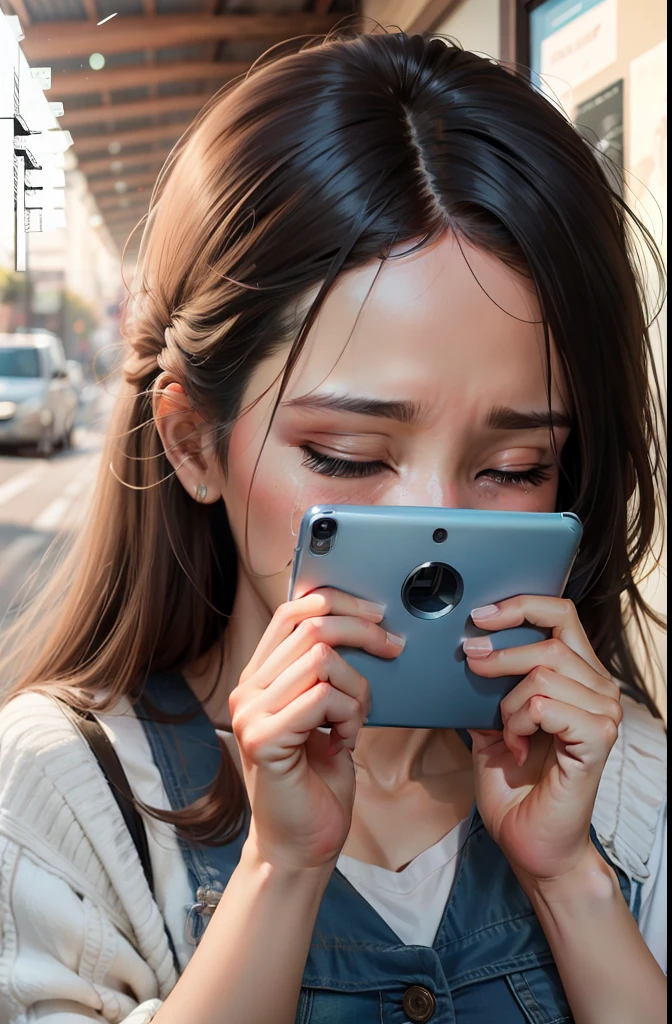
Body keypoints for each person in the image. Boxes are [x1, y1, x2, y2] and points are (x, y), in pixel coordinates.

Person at [0, 30, 666, 1024]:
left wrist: (571, 879)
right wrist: (276, 870)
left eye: (514, 467)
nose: (433, 523)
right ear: (190, 440)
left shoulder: (626, 781)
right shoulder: (63, 791)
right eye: (349, 457)